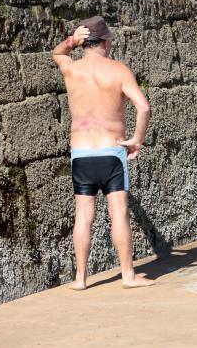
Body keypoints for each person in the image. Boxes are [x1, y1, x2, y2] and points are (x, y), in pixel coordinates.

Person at [52, 15, 154, 289]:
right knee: (118, 213)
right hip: (111, 152)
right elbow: (143, 108)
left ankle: (80, 278)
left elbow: (57, 53)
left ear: (86, 42)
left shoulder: (71, 69)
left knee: (83, 215)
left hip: (81, 154)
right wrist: (136, 139)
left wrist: (72, 41)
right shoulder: (118, 70)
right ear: (106, 42)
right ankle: (128, 276)